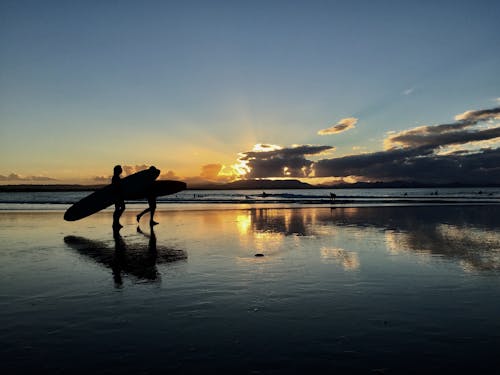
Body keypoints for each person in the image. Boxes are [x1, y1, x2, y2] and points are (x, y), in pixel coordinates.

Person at [112, 165, 125, 230]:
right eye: (120, 169)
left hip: (117, 195)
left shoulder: (116, 177)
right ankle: (115, 223)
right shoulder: (115, 177)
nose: (121, 170)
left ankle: (116, 223)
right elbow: (116, 187)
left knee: (118, 209)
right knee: (120, 208)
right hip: (117, 196)